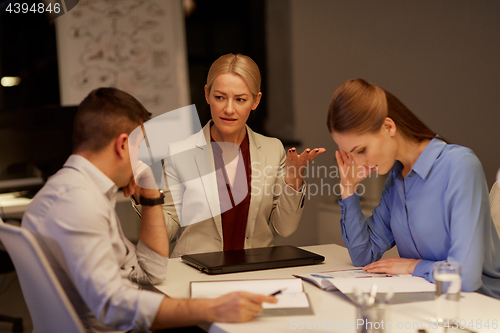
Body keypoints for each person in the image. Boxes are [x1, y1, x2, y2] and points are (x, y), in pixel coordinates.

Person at [22, 88, 277, 332]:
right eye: (140, 146)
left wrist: (152, 194)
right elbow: (114, 307)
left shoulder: (73, 191)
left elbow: (149, 271)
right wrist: (212, 308)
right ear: (123, 145)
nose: (142, 159)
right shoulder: (78, 205)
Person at [327, 78, 500, 299]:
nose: (358, 163)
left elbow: (464, 277)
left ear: (388, 126)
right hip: (430, 304)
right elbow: (364, 256)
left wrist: (413, 267)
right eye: (351, 155)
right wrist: (348, 187)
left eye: (361, 150)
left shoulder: (460, 165)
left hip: (482, 307)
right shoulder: (396, 180)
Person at [159, 54, 326, 256]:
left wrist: (293, 181)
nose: (229, 109)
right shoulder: (179, 152)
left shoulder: (273, 150)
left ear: (256, 101)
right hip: (195, 274)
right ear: (207, 94)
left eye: (240, 99)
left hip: (255, 271)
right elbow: (167, 231)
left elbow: (285, 228)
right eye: (220, 97)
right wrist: (143, 193)